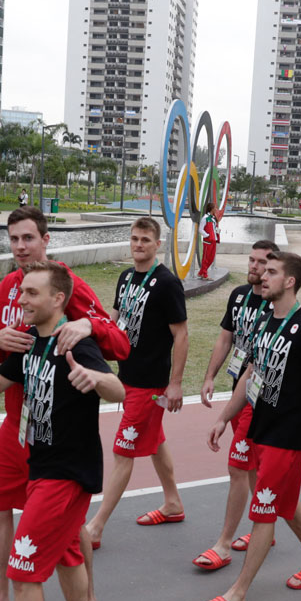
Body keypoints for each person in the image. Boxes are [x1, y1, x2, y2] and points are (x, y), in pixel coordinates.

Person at [0, 206, 129, 601]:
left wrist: (86, 326)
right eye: (13, 239)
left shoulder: (64, 284)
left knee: (64, 524)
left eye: (28, 238)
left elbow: (118, 343)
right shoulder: (11, 286)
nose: (20, 247)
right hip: (18, 421)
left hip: (58, 433)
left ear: (46, 240)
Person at [201, 251, 301, 601]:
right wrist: (225, 418)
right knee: (283, 502)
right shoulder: (263, 320)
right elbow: (250, 374)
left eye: (272, 272)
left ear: (290, 281)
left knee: (263, 511)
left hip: (287, 437)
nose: (262, 277)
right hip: (261, 427)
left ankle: (238, 592)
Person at [85, 217, 189, 544]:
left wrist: (175, 383)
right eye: (134, 238)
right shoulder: (126, 277)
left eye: (145, 239)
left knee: (122, 450)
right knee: (154, 441)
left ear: (158, 244)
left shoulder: (167, 283)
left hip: (151, 383)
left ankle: (96, 527)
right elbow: (114, 320)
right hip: (127, 376)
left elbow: (182, 335)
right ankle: (173, 503)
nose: (138, 244)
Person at [196, 240, 279, 568]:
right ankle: (270, 528)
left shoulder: (278, 306)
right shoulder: (239, 295)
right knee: (257, 468)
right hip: (238, 390)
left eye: (263, 263)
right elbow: (226, 338)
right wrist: (209, 376)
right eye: (252, 260)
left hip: (260, 398)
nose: (255, 266)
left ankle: (224, 544)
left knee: (238, 467)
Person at [199, 201, 220, 280]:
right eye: (215, 208)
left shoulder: (213, 219)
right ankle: (204, 274)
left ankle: (201, 272)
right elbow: (200, 229)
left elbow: (213, 229)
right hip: (208, 241)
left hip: (213, 241)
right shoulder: (205, 218)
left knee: (211, 258)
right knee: (206, 258)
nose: (216, 209)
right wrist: (207, 235)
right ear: (211, 209)